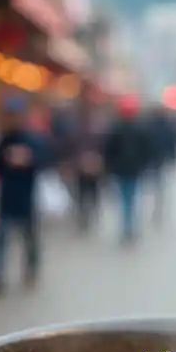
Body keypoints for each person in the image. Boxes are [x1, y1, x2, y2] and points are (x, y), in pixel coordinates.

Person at [0, 96, 50, 295]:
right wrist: (6, 159)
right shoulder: (3, 139)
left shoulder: (33, 139)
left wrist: (27, 160)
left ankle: (31, 271)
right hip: (5, 198)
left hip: (27, 198)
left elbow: (44, 161)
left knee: (29, 238)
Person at [103, 95, 153, 244]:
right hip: (134, 169)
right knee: (131, 198)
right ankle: (130, 227)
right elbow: (147, 150)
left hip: (120, 169)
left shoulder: (116, 128)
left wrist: (109, 166)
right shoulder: (141, 128)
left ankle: (127, 227)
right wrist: (144, 164)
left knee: (125, 199)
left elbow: (108, 150)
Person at [67, 98, 107, 232]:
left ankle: (86, 214)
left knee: (87, 192)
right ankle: (85, 215)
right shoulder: (79, 130)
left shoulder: (98, 130)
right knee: (84, 192)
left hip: (91, 166)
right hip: (82, 166)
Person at [145, 104, 176, 226]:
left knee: (155, 186)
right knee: (159, 187)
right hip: (160, 159)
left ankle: (156, 209)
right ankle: (157, 208)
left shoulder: (149, 126)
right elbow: (172, 142)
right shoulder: (167, 126)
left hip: (155, 159)